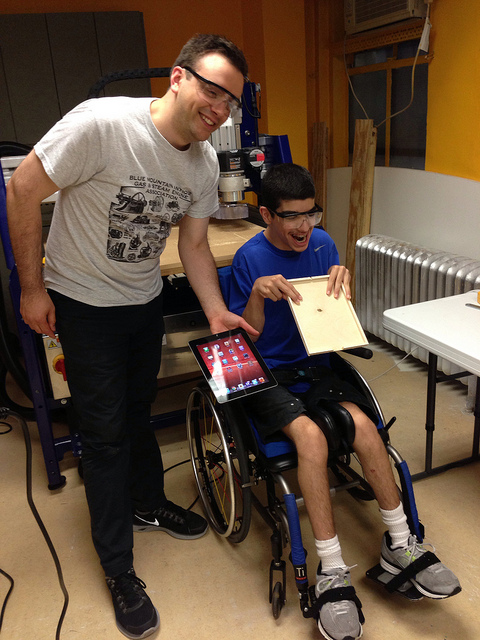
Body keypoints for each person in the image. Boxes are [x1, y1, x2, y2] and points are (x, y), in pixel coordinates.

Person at [6, 34, 258, 640]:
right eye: (213, 89)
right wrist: (32, 289)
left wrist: (216, 311)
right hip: (83, 305)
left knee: (139, 412)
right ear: (178, 77)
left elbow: (194, 246)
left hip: (141, 304)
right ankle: (119, 569)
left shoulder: (200, 163)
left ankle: (146, 503)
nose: (221, 109)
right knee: (106, 434)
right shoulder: (101, 123)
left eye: (233, 102)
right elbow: (21, 190)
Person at [227, 163, 461, 640]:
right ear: (266, 214)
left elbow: (331, 316)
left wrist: (344, 292)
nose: (303, 226)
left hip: (314, 362)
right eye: (291, 217)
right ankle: (332, 570)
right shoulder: (248, 258)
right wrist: (256, 294)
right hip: (264, 368)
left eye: (310, 213)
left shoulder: (324, 244)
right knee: (311, 439)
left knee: (364, 425)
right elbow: (240, 339)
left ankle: (401, 542)